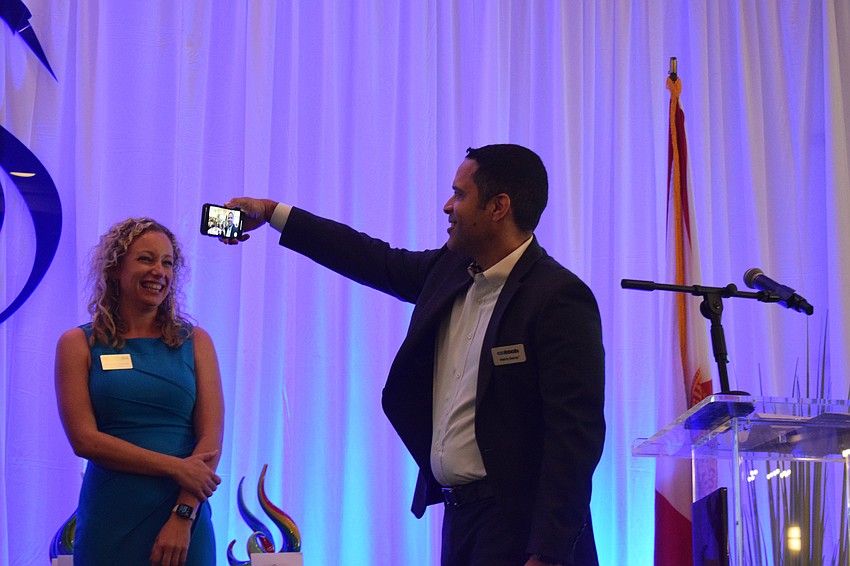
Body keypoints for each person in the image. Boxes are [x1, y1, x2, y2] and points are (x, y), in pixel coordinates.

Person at [225, 144, 605, 566]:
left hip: (520, 528)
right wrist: (273, 213)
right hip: (459, 520)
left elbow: (575, 437)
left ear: (499, 207)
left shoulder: (557, 297)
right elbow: (369, 257)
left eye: (460, 194)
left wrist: (549, 552)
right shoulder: (448, 270)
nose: (448, 206)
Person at [54, 218, 224, 566]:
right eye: (146, 259)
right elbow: (84, 441)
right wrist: (176, 467)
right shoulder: (77, 344)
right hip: (111, 514)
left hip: (185, 514)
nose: (159, 271)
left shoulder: (197, 342)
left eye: (167, 262)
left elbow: (210, 442)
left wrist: (183, 515)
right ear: (116, 268)